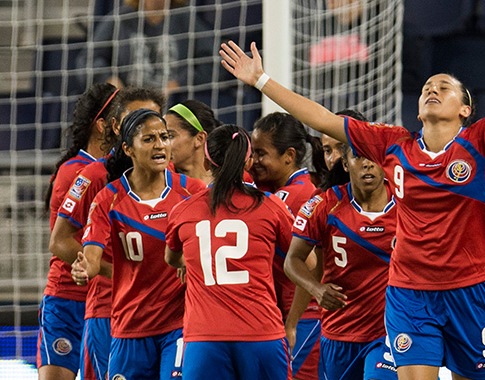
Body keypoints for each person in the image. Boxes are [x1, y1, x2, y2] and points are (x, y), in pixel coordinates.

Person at [220, 15, 485, 380]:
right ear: (416, 110)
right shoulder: (393, 145)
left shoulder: (481, 143)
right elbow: (322, 118)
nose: (433, 89)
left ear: (465, 109)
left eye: (444, 88)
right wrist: (261, 81)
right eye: (428, 87)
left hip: (471, 289)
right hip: (410, 292)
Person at [72, 108, 205, 380]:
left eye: (164, 137)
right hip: (130, 326)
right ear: (128, 149)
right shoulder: (108, 199)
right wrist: (84, 268)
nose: (160, 145)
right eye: (148, 139)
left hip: (179, 325)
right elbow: (93, 259)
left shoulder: (193, 192)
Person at [49, 86, 165, 380]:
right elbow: (60, 240)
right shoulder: (92, 176)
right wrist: (104, 268)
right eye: (137, 120)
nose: (149, 129)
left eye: (154, 120)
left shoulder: (175, 181)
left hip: (161, 314)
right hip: (100, 306)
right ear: (116, 127)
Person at [164, 124, 293, 380]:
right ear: (247, 164)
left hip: (204, 339)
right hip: (261, 332)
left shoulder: (183, 211)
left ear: (206, 162)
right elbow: (306, 260)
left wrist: (192, 262)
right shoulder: (271, 206)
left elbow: (171, 258)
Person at [285, 144, 398, 380]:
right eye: (358, 157)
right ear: (346, 164)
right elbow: (292, 260)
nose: (367, 164)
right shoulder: (324, 205)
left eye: (374, 156)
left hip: (390, 330)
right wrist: (317, 290)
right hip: (340, 331)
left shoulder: (407, 203)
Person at [38, 82, 118, 380]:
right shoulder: (79, 173)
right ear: (102, 125)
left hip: (102, 299)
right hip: (70, 297)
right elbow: (60, 242)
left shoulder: (114, 170)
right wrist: (116, 271)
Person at [249, 112, 325, 380]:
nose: (253, 161)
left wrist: (291, 321)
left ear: (289, 156)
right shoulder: (288, 188)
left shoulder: (293, 196)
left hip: (303, 317)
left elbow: (311, 264)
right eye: (251, 152)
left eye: (260, 154)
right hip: (293, 314)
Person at [78, 0, 214, 95]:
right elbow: (87, 59)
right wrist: (108, 79)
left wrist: (181, 83)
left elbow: (213, 59)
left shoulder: (185, 19)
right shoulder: (121, 19)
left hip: (173, 104)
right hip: (127, 102)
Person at [165, 99, 222, 184]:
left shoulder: (231, 183)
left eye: (170, 136)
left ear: (199, 138)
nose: (162, 144)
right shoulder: (160, 184)